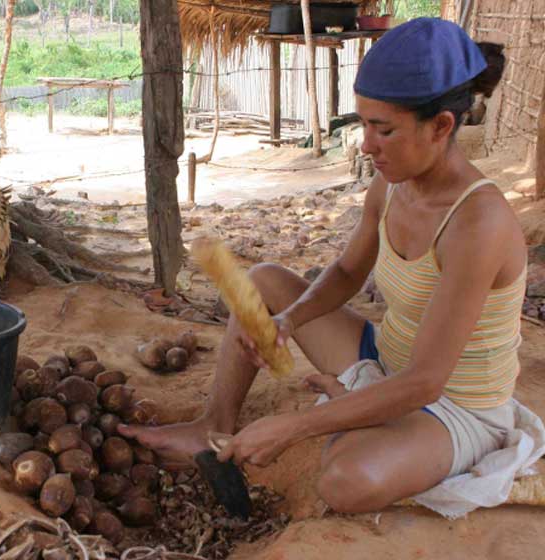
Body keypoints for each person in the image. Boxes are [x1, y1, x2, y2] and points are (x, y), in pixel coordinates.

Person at [119, 18, 541, 513]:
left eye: (383, 129)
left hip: (454, 406)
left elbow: (426, 382)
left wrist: (300, 424)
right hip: (386, 359)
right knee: (262, 282)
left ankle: (363, 411)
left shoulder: (478, 223)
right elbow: (345, 273)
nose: (366, 145)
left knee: (346, 481)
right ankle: (212, 425)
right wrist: (287, 320)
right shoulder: (393, 183)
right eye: (364, 123)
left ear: (442, 126)